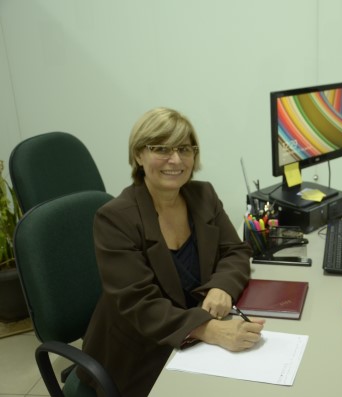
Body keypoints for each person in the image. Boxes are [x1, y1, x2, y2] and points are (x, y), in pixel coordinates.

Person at [78, 107, 265, 396]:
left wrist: (222, 287)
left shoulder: (203, 195)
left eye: (184, 149)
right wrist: (209, 330)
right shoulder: (115, 218)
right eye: (161, 149)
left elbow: (235, 251)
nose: (175, 160)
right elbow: (141, 303)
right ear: (139, 155)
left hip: (192, 339)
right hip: (139, 351)